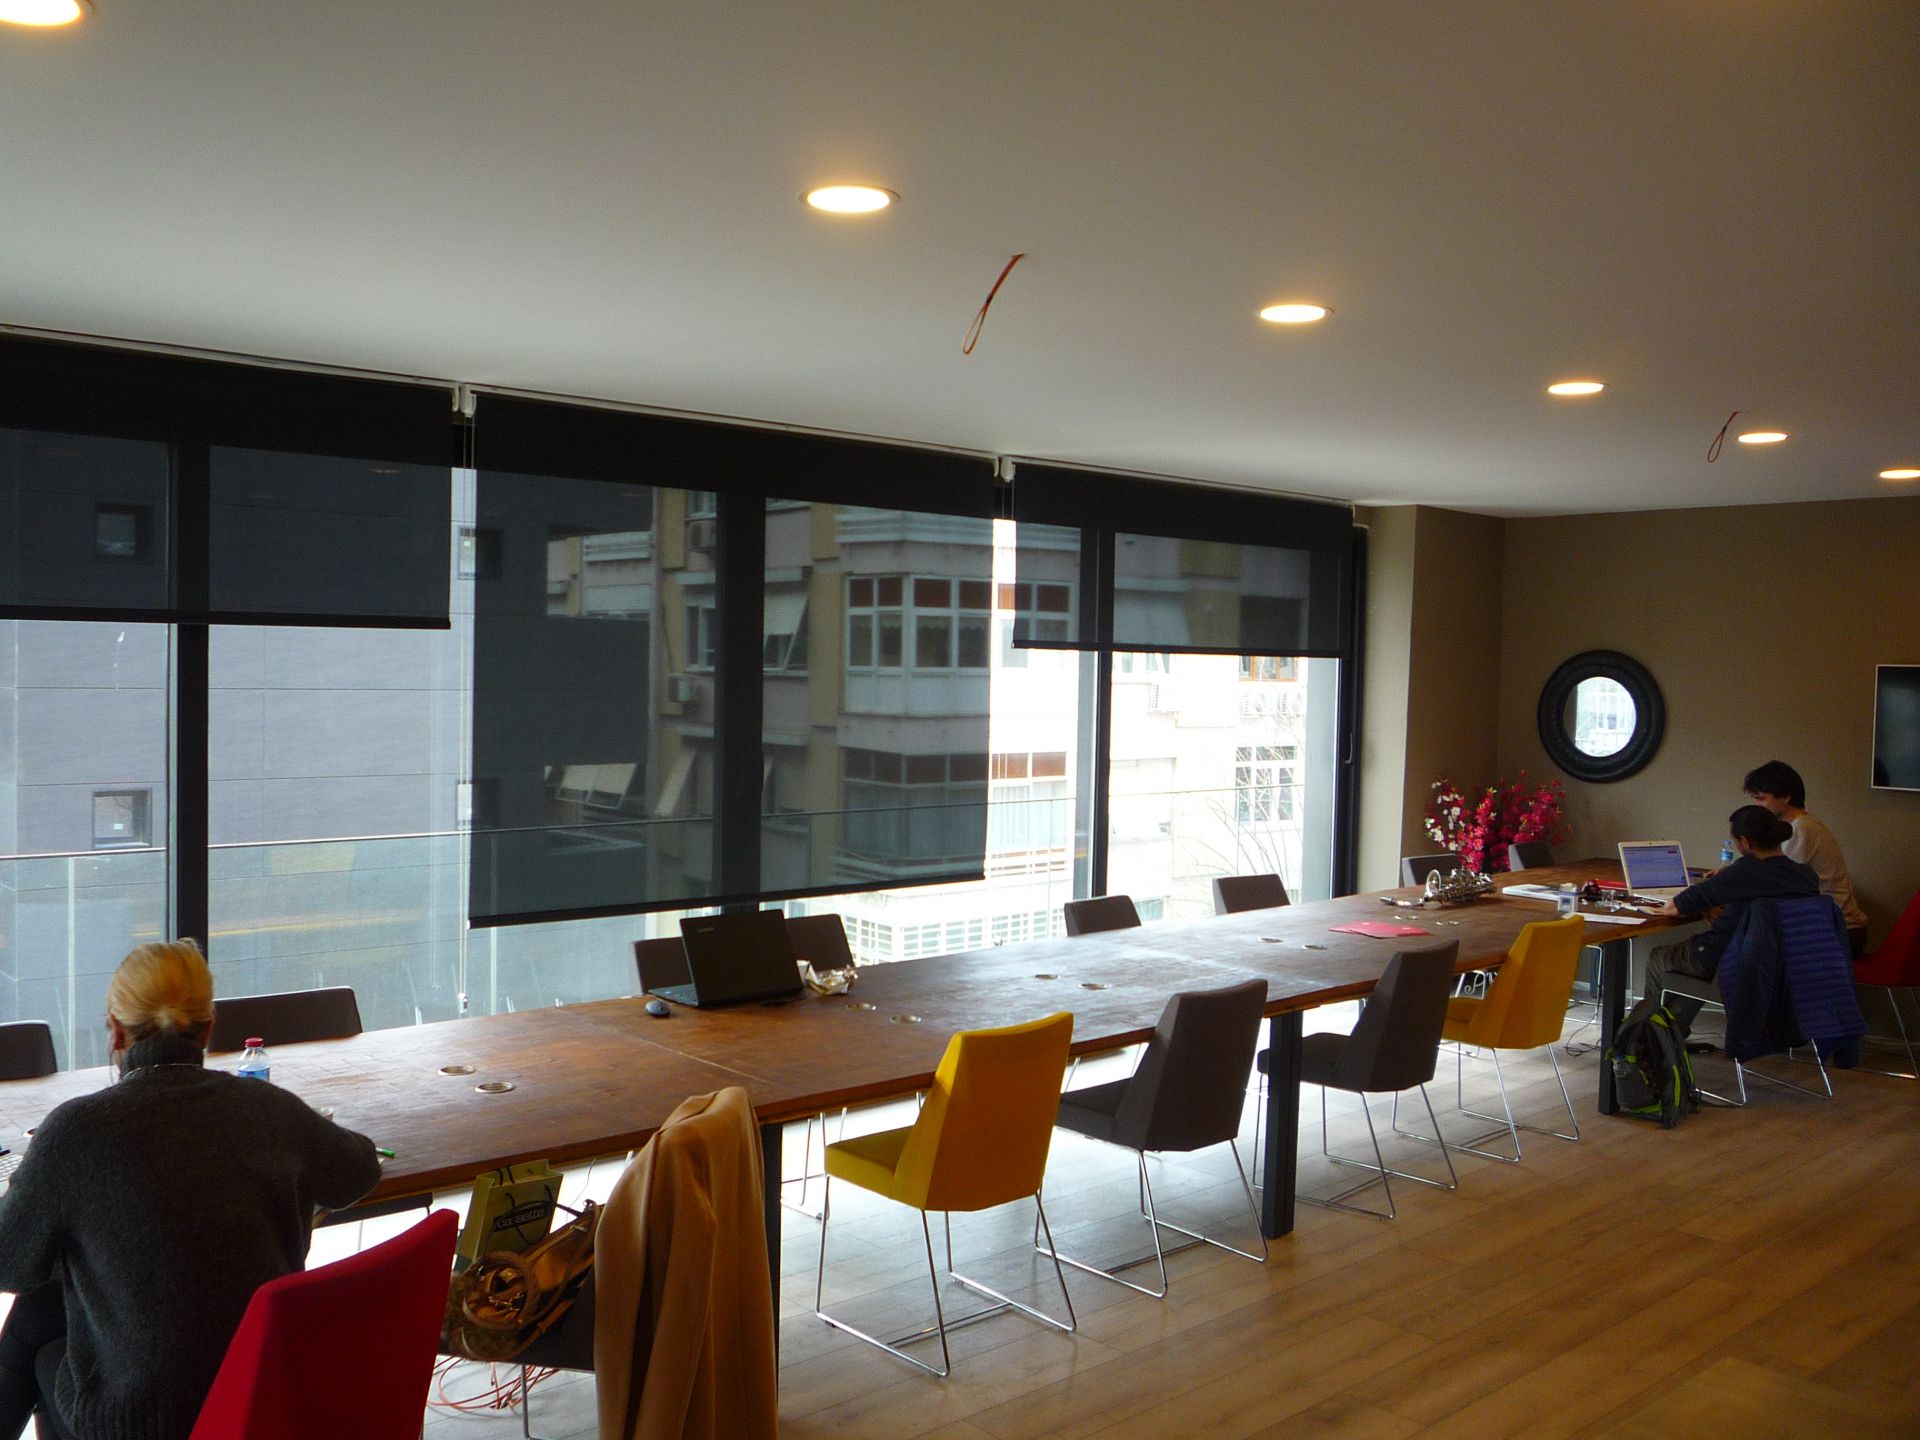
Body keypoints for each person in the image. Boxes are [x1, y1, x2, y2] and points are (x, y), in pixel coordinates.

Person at [0, 941, 381, 1440]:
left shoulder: (75, 1131)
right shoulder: (270, 1108)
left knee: (41, 1334)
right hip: (262, 1396)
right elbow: (359, 1170)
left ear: (115, 1030)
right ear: (207, 1028)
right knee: (42, 1309)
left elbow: (10, 1263)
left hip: (140, 1423)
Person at [1642, 805, 1820, 1036]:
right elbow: (1766, 914)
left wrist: (1715, 892)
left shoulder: (1744, 871)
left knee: (1658, 959)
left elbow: (1675, 907)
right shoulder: (1806, 875)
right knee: (1693, 971)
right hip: (1786, 969)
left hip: (1733, 967)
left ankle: (1647, 1038)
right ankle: (1671, 1037)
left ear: (1745, 842)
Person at [1742, 759, 1869, 956]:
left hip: (1837, 932)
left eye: (1761, 799)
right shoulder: (1798, 826)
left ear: (1786, 796)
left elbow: (1776, 882)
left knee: (1745, 942)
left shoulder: (1801, 830)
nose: (1757, 807)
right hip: (1832, 927)